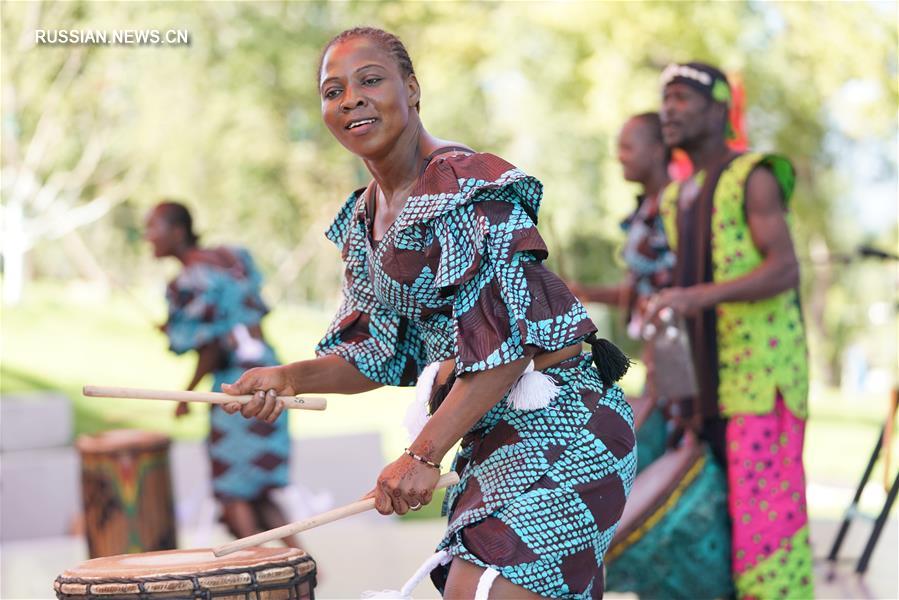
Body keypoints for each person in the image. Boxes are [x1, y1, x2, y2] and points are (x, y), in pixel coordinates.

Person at [222, 27, 635, 599]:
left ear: (411, 89)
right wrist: (287, 379)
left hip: (564, 422)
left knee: (484, 591)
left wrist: (421, 454)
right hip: (492, 432)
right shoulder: (366, 219)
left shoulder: (464, 188)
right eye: (332, 90)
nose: (351, 100)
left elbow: (506, 349)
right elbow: (376, 354)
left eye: (370, 81)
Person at [653, 62, 813, 598]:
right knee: (721, 533)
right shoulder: (678, 197)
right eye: (663, 99)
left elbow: (784, 267)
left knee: (768, 535)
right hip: (708, 387)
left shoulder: (754, 175)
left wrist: (697, 297)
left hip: (761, 381)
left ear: (719, 107)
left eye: (680, 97)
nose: (667, 110)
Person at [144, 201, 300, 548]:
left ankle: (260, 575)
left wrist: (186, 395)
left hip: (237, 385)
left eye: (153, 227)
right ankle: (304, 567)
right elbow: (244, 319)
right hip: (270, 373)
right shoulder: (232, 257)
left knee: (231, 493)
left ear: (178, 231)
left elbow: (213, 346)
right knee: (256, 489)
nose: (147, 236)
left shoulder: (188, 281)